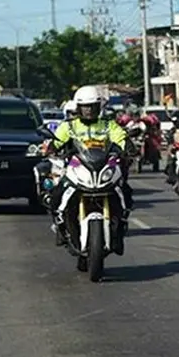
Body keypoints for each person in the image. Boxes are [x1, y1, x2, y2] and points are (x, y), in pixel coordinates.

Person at [47, 86, 133, 255]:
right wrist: (52, 147)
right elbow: (56, 141)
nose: (88, 110)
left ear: (98, 107)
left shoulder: (108, 125)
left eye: (92, 106)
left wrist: (128, 147)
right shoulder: (69, 127)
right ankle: (59, 226)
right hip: (77, 169)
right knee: (56, 194)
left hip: (103, 168)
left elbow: (120, 137)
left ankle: (121, 227)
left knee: (125, 190)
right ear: (78, 108)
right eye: (85, 107)